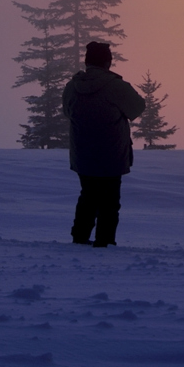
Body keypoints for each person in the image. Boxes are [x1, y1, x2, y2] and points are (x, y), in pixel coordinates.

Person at [63, 42, 145, 247]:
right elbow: (137, 107)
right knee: (109, 200)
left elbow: (67, 112)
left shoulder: (72, 87)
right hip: (112, 153)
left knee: (87, 195)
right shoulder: (116, 86)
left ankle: (79, 237)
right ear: (108, 62)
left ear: (87, 61)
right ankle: (105, 242)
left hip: (82, 153)